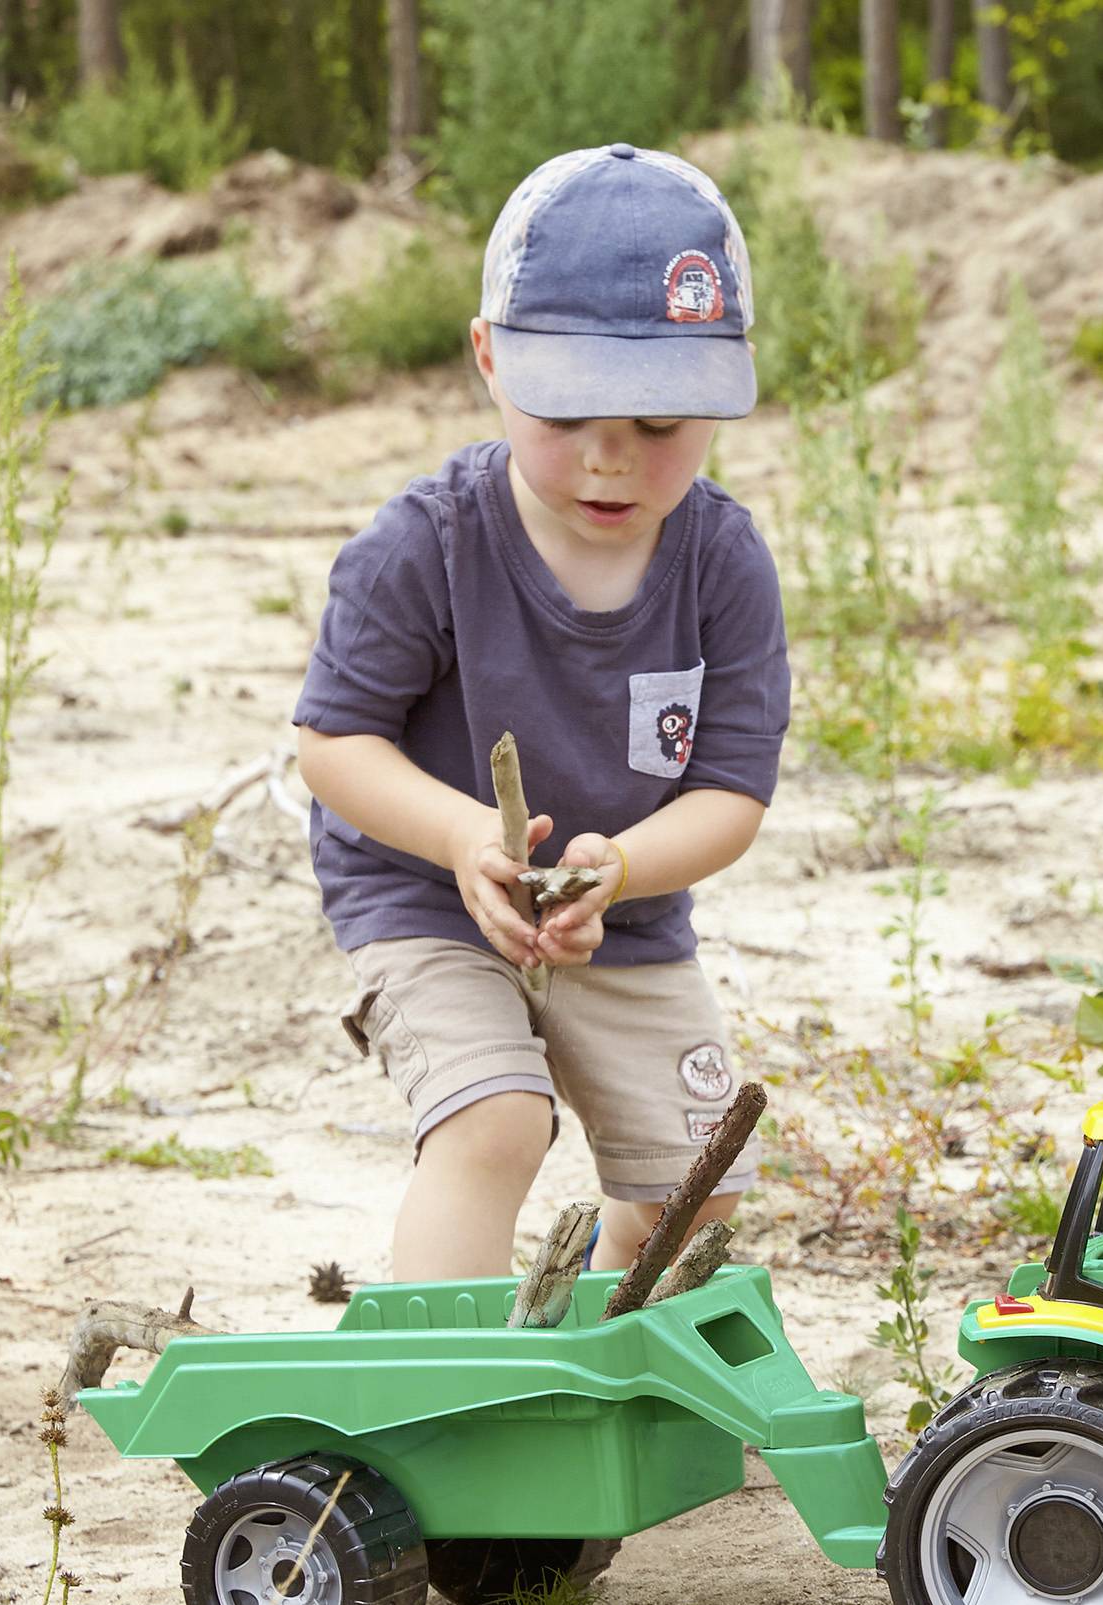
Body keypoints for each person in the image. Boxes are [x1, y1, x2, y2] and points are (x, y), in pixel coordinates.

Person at [292, 145, 786, 1283]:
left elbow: (729, 792)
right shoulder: (426, 544)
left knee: (692, 1187)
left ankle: (600, 1349)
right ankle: (445, 1402)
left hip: (626, 906)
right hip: (427, 894)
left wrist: (623, 866)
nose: (611, 458)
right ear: (488, 358)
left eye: (659, 423)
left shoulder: (722, 563)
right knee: (495, 1123)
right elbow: (334, 742)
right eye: (568, 412)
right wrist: (468, 837)